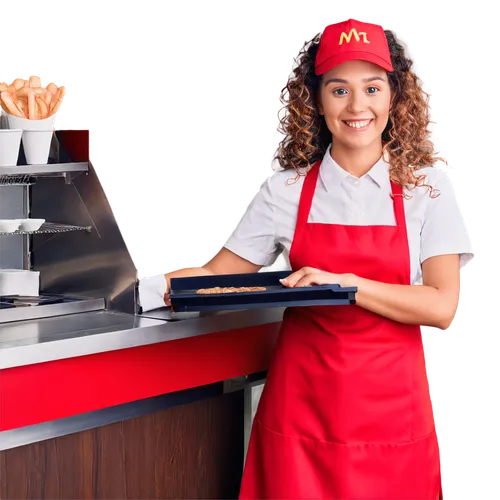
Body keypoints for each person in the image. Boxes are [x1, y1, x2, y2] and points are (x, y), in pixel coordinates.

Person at [139, 16, 475, 499]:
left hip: (392, 417)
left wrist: (345, 284)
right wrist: (137, 286)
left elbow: (442, 306)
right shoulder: (285, 191)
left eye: (373, 88)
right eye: (339, 90)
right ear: (316, 101)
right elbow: (216, 275)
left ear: (395, 97)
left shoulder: (430, 189)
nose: (357, 106)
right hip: (300, 413)